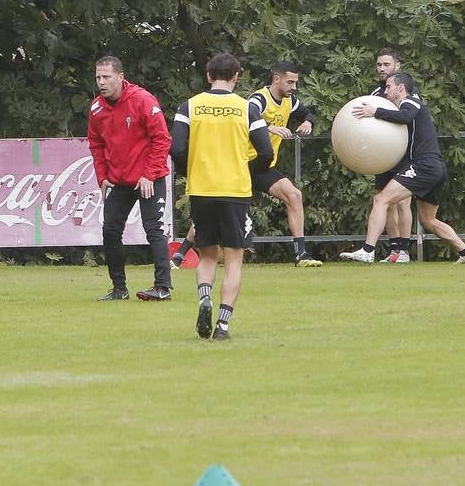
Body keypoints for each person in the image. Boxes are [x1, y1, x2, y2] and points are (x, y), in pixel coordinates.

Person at [172, 61, 321, 267]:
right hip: (241, 164)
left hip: (261, 166)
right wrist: (271, 128)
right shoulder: (258, 99)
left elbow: (307, 113)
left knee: (294, 195)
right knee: (211, 212)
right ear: (276, 79)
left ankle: (301, 254)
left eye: (295, 82)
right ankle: (180, 255)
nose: (294, 87)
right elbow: (249, 118)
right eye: (290, 82)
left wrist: (308, 122)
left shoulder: (290, 101)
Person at [171, 53, 274, 340]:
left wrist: (190, 171)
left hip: (202, 189)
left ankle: (205, 298)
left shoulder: (189, 106)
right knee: (233, 260)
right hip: (235, 191)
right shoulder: (246, 109)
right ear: (236, 76)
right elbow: (266, 152)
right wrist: (246, 171)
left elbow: (177, 149)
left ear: (208, 76)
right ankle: (223, 325)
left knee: (206, 255)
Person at [339, 72, 465, 264]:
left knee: (381, 199)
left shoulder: (410, 102)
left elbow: (405, 116)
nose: (385, 91)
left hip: (425, 166)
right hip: (434, 168)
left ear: (401, 88)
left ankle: (367, 250)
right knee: (428, 220)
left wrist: (375, 112)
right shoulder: (402, 105)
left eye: (388, 87)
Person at [87, 55, 173, 302]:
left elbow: (162, 139)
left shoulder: (143, 100)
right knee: (110, 230)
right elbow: (96, 144)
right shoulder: (96, 108)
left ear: (120, 77)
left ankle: (162, 287)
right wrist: (102, 177)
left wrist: (149, 174)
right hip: (119, 181)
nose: (101, 82)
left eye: (106, 77)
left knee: (153, 229)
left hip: (148, 179)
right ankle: (119, 289)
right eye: (98, 77)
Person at [371, 47, 417, 263]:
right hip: (381, 154)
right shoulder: (374, 94)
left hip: (403, 153)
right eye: (379, 64)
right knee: (383, 201)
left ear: (397, 66)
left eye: (386, 64)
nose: (382, 68)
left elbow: (407, 117)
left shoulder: (408, 92)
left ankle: (405, 251)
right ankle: (395, 250)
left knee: (402, 203)